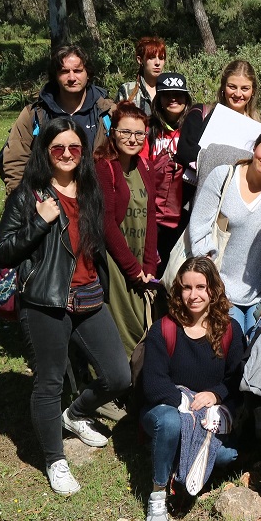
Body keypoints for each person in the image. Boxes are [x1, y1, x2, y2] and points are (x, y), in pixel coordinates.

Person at [0, 118, 131, 496]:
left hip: (88, 296)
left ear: (83, 152)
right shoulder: (29, 195)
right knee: (49, 382)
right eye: (58, 148)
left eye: (74, 148)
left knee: (118, 376)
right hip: (45, 301)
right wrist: (39, 221)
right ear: (45, 152)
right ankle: (55, 459)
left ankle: (76, 414)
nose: (67, 155)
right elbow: (3, 250)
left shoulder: (89, 190)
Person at [139, 256, 244, 521]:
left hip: (209, 414)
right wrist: (185, 403)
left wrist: (217, 395)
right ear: (178, 290)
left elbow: (237, 380)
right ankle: (158, 494)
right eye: (187, 288)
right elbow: (152, 384)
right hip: (167, 407)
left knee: (227, 456)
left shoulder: (230, 330)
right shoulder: (165, 329)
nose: (194, 295)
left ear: (213, 290)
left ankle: (180, 464)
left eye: (201, 287)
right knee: (171, 424)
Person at [189, 127, 261, 335]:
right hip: (221, 287)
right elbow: (200, 226)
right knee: (233, 342)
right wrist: (210, 280)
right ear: (255, 146)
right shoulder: (224, 176)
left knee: (255, 348)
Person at [2, 45, 115, 192]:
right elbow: (15, 162)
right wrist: (22, 203)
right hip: (48, 203)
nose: (72, 77)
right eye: (64, 71)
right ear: (55, 75)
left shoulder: (108, 112)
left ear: (88, 73)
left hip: (96, 200)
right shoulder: (34, 114)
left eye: (78, 71)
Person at [94, 101, 159, 354]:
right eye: (125, 132)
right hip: (116, 260)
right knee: (123, 325)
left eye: (138, 133)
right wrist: (132, 269)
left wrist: (150, 266)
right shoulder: (104, 167)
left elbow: (151, 215)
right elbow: (105, 221)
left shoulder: (144, 166)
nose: (132, 139)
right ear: (113, 132)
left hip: (141, 259)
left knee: (143, 322)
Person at [175, 59, 261, 183]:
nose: (238, 94)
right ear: (223, 86)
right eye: (232, 87)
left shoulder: (259, 128)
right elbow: (186, 151)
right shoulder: (200, 113)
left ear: (253, 91)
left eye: (245, 88)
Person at [147, 72, 193, 272]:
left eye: (178, 94)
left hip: (186, 209)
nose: (173, 99)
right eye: (167, 94)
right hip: (153, 211)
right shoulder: (148, 128)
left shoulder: (194, 128)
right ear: (158, 99)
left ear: (186, 98)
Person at [116, 36, 166, 116]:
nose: (157, 63)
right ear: (140, 60)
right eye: (151, 57)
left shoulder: (170, 90)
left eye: (161, 58)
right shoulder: (127, 91)